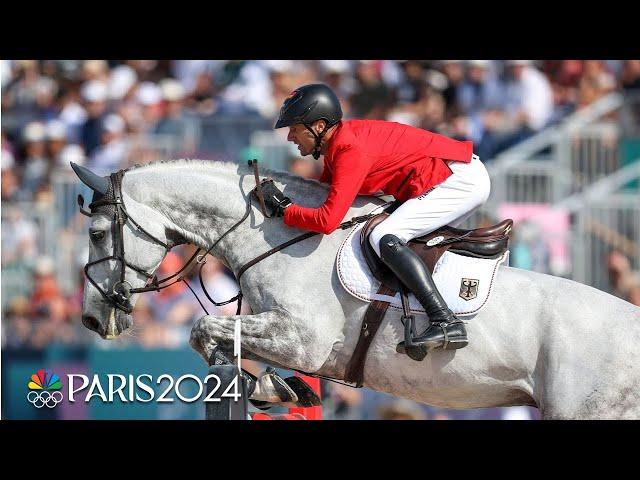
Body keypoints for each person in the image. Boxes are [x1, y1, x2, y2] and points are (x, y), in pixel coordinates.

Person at [267, 83, 491, 352]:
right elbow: (325, 195)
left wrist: (285, 210)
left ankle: (444, 321)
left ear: (318, 126)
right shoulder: (339, 146)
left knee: (384, 235)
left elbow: (327, 221)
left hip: (459, 180)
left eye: (294, 129)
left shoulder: (349, 149)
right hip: (449, 176)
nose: (290, 137)